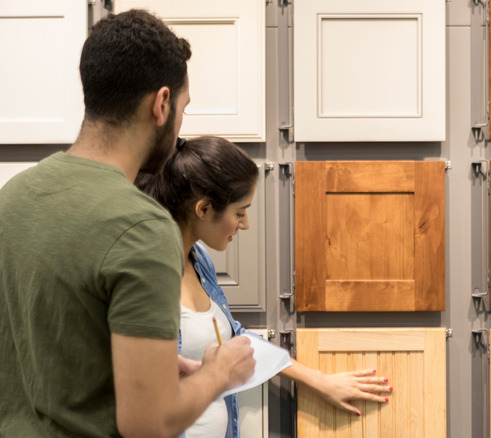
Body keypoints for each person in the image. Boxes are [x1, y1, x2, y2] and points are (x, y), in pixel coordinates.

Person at [0, 10, 255, 438]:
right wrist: (220, 373)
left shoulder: (13, 197)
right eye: (182, 108)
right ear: (161, 104)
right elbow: (148, 424)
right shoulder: (143, 226)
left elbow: (46, 343)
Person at [136, 136, 393, 438]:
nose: (245, 225)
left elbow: (235, 337)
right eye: (240, 212)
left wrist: (319, 380)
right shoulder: (143, 277)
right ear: (203, 209)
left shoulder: (199, 259)